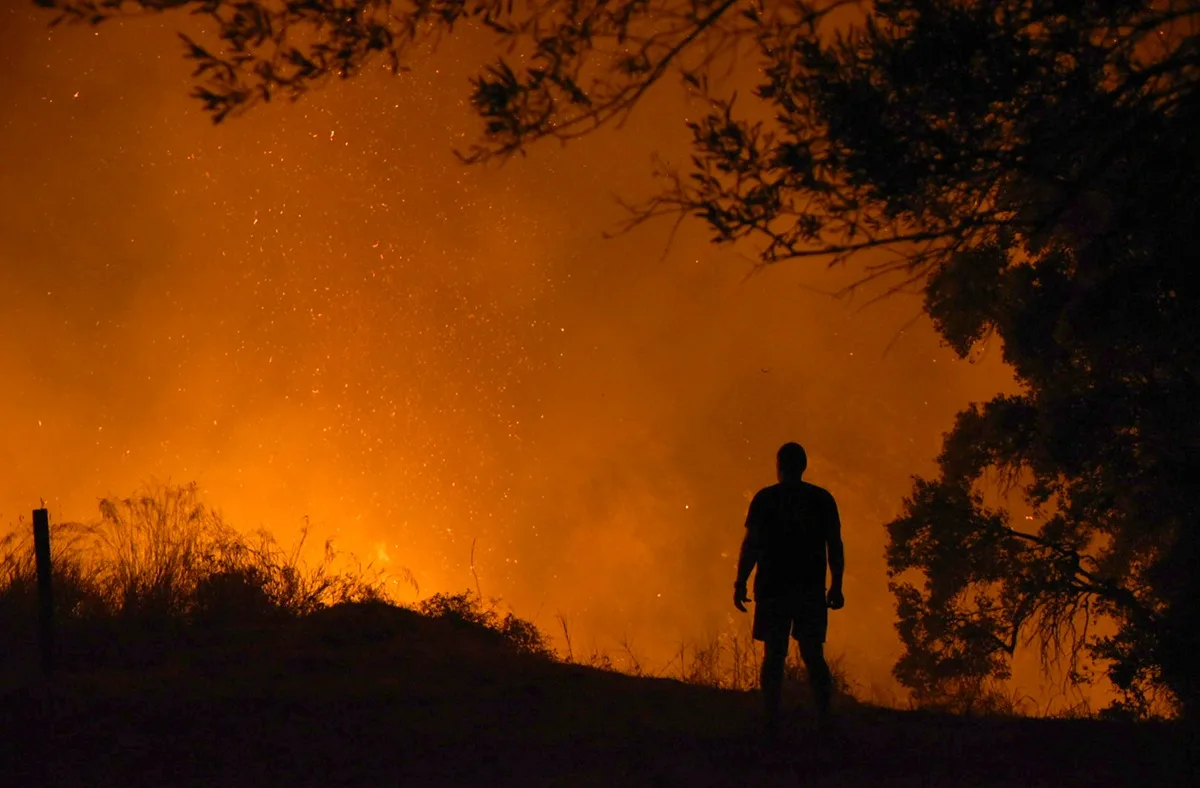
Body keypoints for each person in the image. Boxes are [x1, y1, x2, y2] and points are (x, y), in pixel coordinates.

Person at [734, 441, 845, 732]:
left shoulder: (766, 499)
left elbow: (752, 545)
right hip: (809, 588)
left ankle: (771, 718)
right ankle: (825, 719)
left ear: (779, 465)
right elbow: (835, 545)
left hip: (773, 587)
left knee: (774, 654)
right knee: (813, 653)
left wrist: (740, 581)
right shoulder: (822, 500)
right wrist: (836, 585)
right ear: (804, 465)